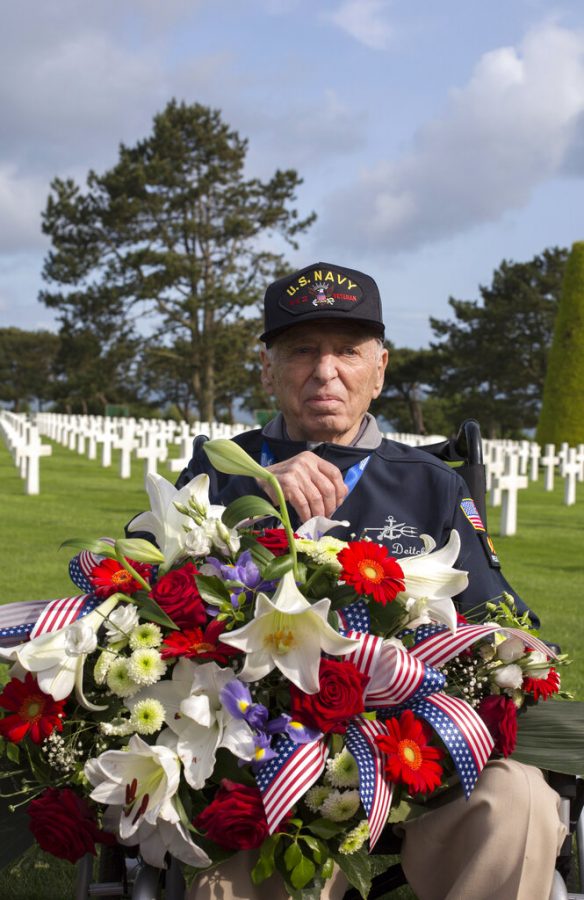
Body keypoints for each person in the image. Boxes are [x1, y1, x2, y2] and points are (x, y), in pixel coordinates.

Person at [173, 262, 567, 899]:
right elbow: (152, 599)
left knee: (518, 799)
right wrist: (262, 490)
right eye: (302, 350)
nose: (325, 370)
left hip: (412, 749)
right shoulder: (220, 476)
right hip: (257, 751)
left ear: (379, 368)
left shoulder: (432, 484)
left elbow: (498, 621)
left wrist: (522, 658)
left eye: (348, 351)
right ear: (268, 369)